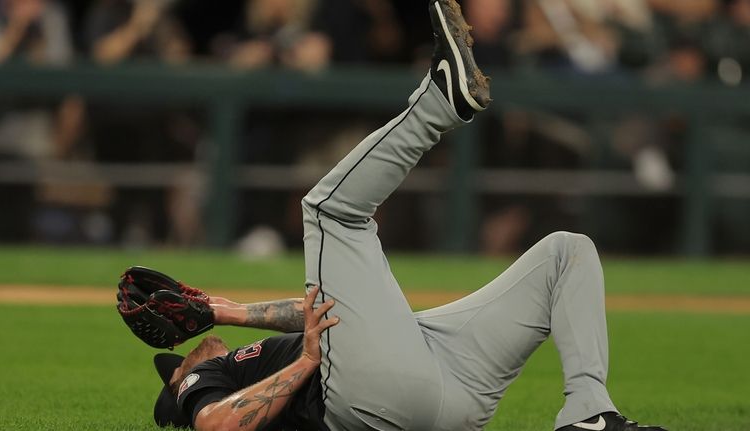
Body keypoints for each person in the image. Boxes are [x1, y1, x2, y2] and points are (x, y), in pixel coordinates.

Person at [150, 1, 668, 430]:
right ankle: (440, 102)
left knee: (565, 253)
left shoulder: (248, 359)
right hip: (370, 398)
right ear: (178, 385)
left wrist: (226, 311)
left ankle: (589, 415)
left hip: (440, 388)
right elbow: (214, 425)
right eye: (177, 367)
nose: (183, 355)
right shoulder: (202, 382)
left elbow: (322, 310)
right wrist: (306, 361)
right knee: (329, 211)